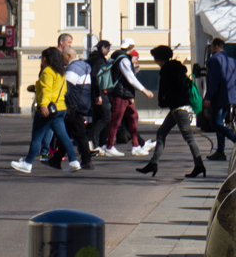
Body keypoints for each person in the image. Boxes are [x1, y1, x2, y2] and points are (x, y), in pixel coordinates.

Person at [136, 45, 205, 179]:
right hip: (177, 108)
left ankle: (199, 165)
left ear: (160, 59)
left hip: (179, 108)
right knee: (161, 133)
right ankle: (153, 163)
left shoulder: (168, 70)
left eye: (155, 59)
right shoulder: (176, 69)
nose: (155, 61)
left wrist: (165, 98)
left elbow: (174, 89)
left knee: (189, 137)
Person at [12, 47, 82, 173]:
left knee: (37, 136)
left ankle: (27, 163)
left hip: (48, 109)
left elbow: (46, 90)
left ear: (45, 58)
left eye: (41, 57)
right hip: (60, 108)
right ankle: (73, 161)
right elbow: (64, 90)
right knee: (64, 137)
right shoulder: (61, 72)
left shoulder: (47, 72)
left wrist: (43, 105)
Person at [100, 39, 155, 157]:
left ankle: (136, 146)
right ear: (130, 47)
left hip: (123, 93)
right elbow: (130, 78)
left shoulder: (115, 57)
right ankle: (110, 146)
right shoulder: (124, 59)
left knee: (133, 116)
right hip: (121, 94)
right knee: (116, 119)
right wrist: (144, 90)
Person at [49, 46, 94, 170]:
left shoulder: (73, 68)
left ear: (69, 56)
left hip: (74, 106)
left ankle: (86, 160)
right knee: (67, 132)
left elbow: (66, 89)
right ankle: (57, 159)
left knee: (78, 133)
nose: (61, 60)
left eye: (62, 57)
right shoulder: (84, 66)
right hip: (83, 103)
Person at [203, 37, 236, 160]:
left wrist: (209, 97)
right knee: (220, 123)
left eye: (211, 46)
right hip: (230, 97)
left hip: (218, 97)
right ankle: (220, 151)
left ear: (216, 47)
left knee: (215, 124)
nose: (210, 49)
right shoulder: (232, 60)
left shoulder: (215, 60)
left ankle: (233, 140)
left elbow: (214, 81)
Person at [87, 40, 114, 150]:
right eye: (108, 48)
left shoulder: (94, 58)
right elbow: (96, 77)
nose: (109, 51)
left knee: (97, 118)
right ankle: (91, 138)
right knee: (106, 117)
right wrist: (98, 94)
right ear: (102, 48)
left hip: (95, 92)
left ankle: (96, 144)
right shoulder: (98, 59)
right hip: (99, 92)